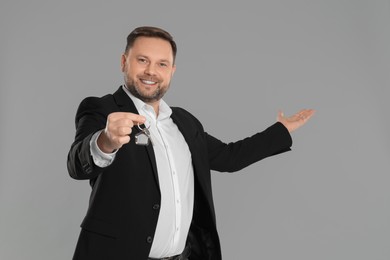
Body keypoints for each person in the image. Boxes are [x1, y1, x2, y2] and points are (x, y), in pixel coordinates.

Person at [67, 26, 315, 260]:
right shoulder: (101, 109)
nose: (151, 71)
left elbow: (229, 157)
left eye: (162, 64)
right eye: (142, 60)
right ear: (124, 62)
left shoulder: (184, 122)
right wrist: (105, 141)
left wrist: (282, 130)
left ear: (172, 70)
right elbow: (77, 164)